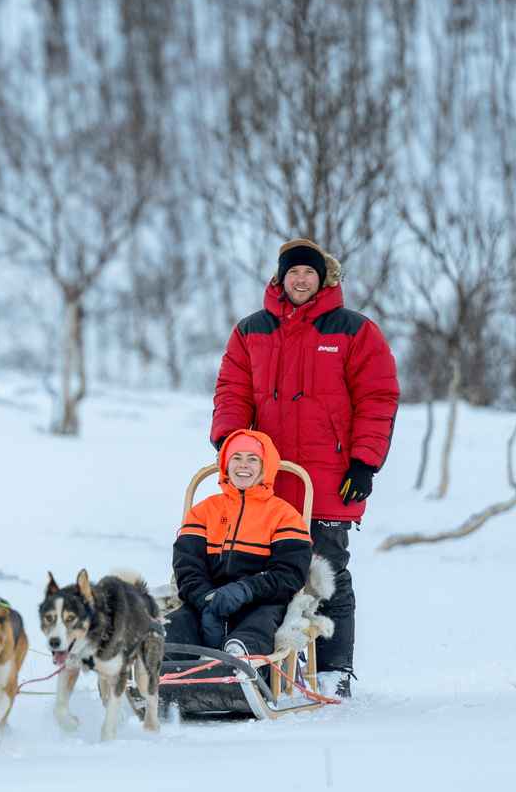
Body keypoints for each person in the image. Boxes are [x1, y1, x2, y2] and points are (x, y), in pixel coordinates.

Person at [210, 238, 399, 697]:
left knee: (326, 571)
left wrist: (364, 462)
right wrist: (229, 441)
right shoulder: (251, 330)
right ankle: (267, 664)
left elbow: (378, 398)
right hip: (266, 480)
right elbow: (232, 390)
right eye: (292, 272)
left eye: (308, 273)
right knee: (262, 574)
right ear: (280, 277)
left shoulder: (354, 330)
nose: (300, 279)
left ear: (323, 278)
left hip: (330, 479)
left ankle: (333, 670)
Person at [168, 428, 312, 662]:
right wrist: (205, 599)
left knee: (261, 624)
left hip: (260, 602)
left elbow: (290, 574)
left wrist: (245, 590)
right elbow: (187, 565)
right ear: (226, 463)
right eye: (236, 457)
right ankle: (166, 669)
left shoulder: (284, 515)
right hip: (207, 601)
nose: (243, 465)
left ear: (265, 466)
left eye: (252, 459)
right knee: (178, 624)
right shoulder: (204, 511)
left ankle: (238, 660)